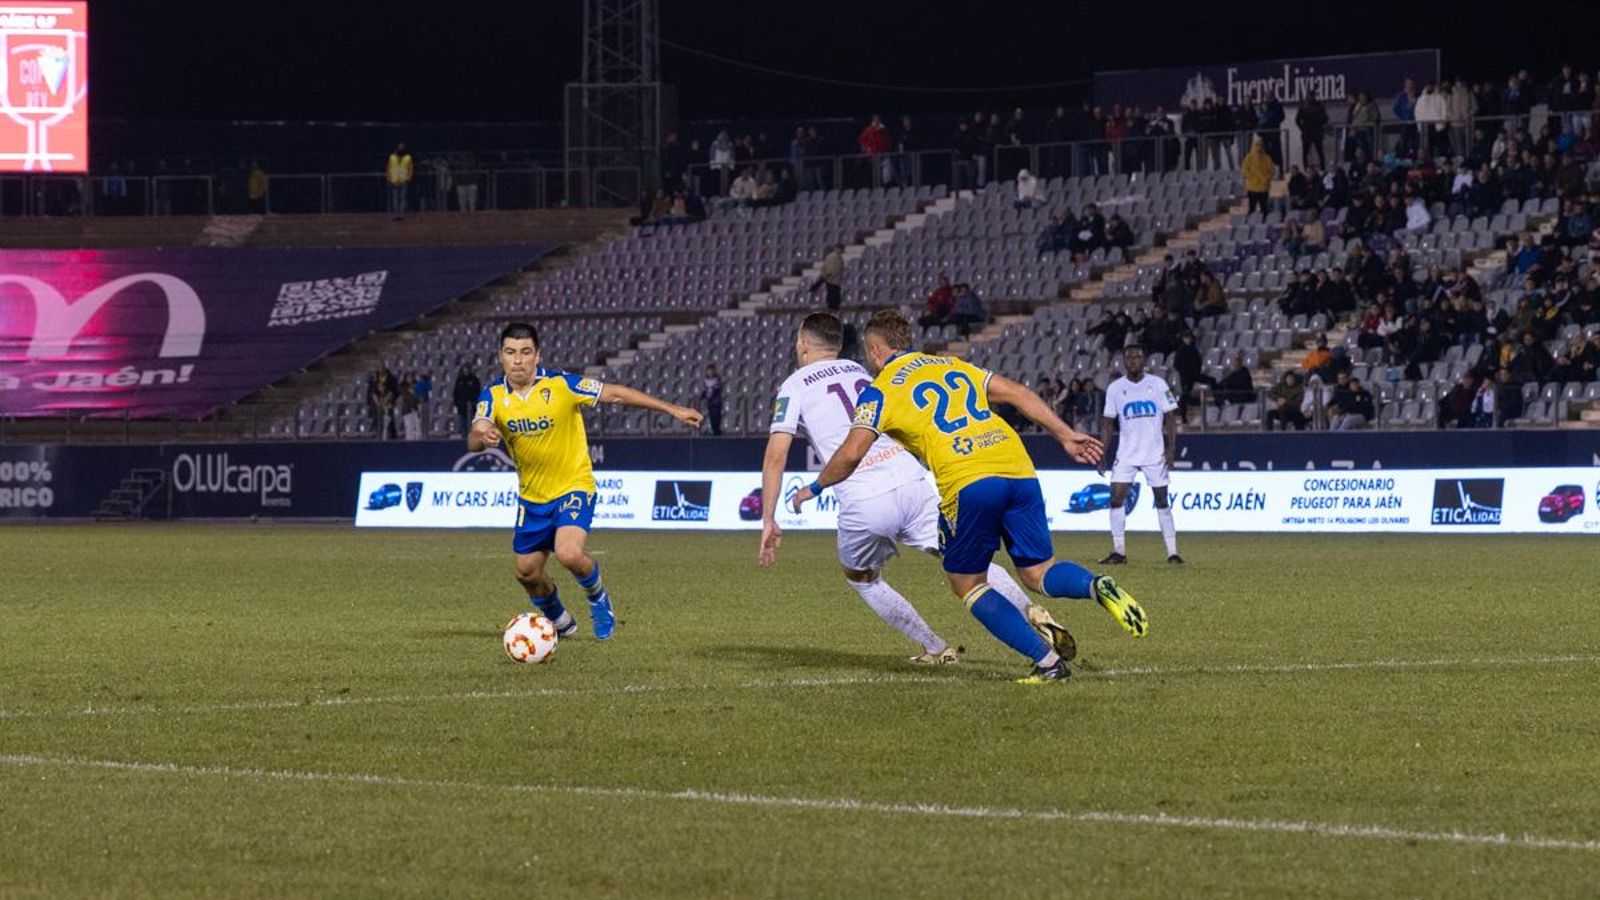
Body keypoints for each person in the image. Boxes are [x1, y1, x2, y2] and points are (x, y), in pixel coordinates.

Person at [789, 309, 1146, 684]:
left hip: (969, 480)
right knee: (1040, 572)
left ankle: (1047, 663)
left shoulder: (881, 390)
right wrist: (1065, 435)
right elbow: (1019, 393)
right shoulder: (952, 365)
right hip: (1017, 467)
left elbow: (850, 454)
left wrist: (814, 488)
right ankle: (1095, 585)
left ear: (876, 351)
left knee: (968, 583)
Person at [758, 313, 1074, 665]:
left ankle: (936, 647)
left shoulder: (794, 385)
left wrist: (770, 517)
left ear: (802, 344)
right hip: (910, 480)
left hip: (865, 497)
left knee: (862, 578)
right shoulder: (864, 373)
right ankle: (1030, 609)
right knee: (966, 563)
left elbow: (776, 456)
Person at [468, 323, 703, 641]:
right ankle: (561, 622)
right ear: (501, 356)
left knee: (568, 553)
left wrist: (672, 409)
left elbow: (615, 393)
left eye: (525, 352)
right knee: (526, 572)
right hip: (532, 499)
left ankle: (598, 599)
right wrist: (484, 435)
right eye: (511, 352)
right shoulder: (493, 395)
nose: (518, 360)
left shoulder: (561, 385)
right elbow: (474, 436)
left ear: (537, 355)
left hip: (574, 486)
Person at [1097, 346, 1181, 565]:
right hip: (1126, 454)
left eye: (1138, 357)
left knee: (1162, 500)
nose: (1134, 360)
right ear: (1124, 361)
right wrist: (1102, 453)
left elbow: (1171, 418)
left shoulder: (1158, 384)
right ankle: (1119, 551)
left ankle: (1172, 553)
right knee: (1115, 499)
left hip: (1155, 453)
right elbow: (1107, 422)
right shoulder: (1115, 388)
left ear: (1144, 360)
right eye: (1129, 357)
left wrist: (1171, 449)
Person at [1241, 136, 1275, 214]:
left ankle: (1262, 222)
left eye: (1260, 145)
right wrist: (1252, 177)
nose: (1259, 148)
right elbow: (1244, 170)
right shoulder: (1249, 158)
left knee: (1263, 208)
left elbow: (1272, 171)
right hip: (1253, 187)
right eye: (1257, 145)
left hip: (1262, 187)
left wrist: (1266, 178)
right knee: (1253, 208)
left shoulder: (1267, 158)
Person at [451, 364, 481, 436]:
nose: (466, 371)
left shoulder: (474, 379)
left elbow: (477, 391)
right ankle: (463, 436)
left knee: (471, 421)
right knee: (462, 422)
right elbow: (456, 392)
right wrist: (456, 402)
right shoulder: (459, 380)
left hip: (471, 405)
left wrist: (474, 401)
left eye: (467, 369)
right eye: (464, 369)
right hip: (461, 405)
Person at [386, 142, 413, 220]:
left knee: (403, 198)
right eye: (400, 147)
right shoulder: (392, 157)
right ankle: (396, 214)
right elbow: (388, 168)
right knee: (395, 198)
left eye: (402, 147)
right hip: (394, 181)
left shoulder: (408, 157)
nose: (401, 149)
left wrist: (408, 178)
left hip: (404, 180)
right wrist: (389, 179)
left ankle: (401, 215)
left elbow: (410, 169)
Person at [812, 245, 843, 310]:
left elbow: (829, 270)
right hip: (835, 280)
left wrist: (826, 276)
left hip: (831, 280)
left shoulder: (831, 257)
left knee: (832, 297)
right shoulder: (838, 257)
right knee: (835, 297)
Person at [701, 364, 724, 436]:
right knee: (712, 417)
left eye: (711, 371)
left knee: (716, 416)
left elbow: (717, 390)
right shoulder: (705, 380)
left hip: (716, 402)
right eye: (709, 371)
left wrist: (711, 397)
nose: (710, 372)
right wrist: (703, 396)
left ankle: (716, 430)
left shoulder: (717, 380)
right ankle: (714, 430)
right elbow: (705, 390)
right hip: (710, 402)